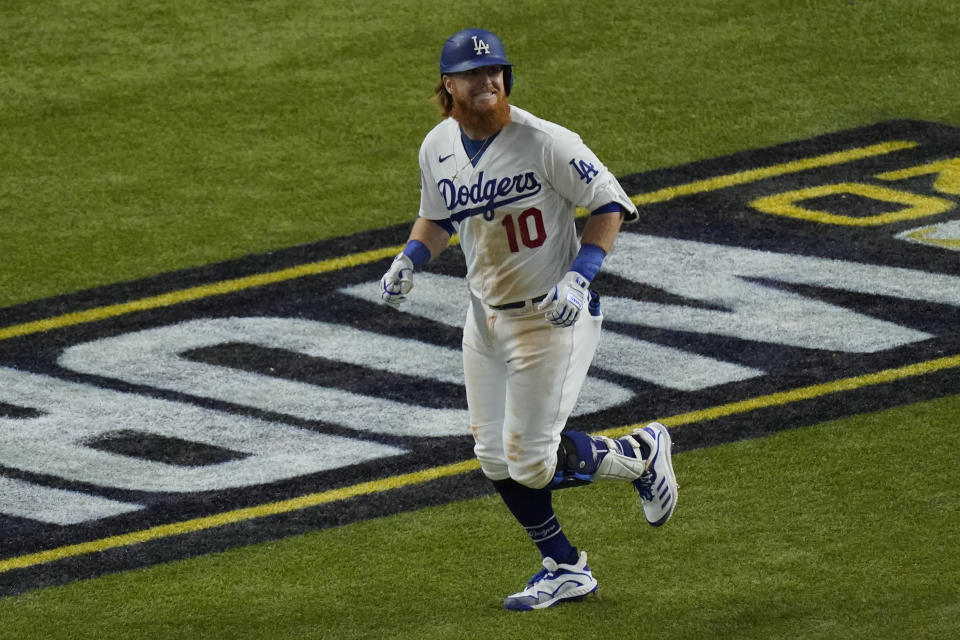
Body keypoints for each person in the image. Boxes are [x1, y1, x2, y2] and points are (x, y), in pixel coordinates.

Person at [379, 27, 678, 611]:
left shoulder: (545, 141)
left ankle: (641, 453)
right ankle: (565, 567)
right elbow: (437, 216)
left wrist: (581, 274)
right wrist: (408, 259)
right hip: (484, 318)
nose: (487, 81)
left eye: (495, 72)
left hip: (553, 316)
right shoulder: (437, 145)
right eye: (473, 74)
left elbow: (611, 203)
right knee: (493, 457)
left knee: (531, 462)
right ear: (449, 84)